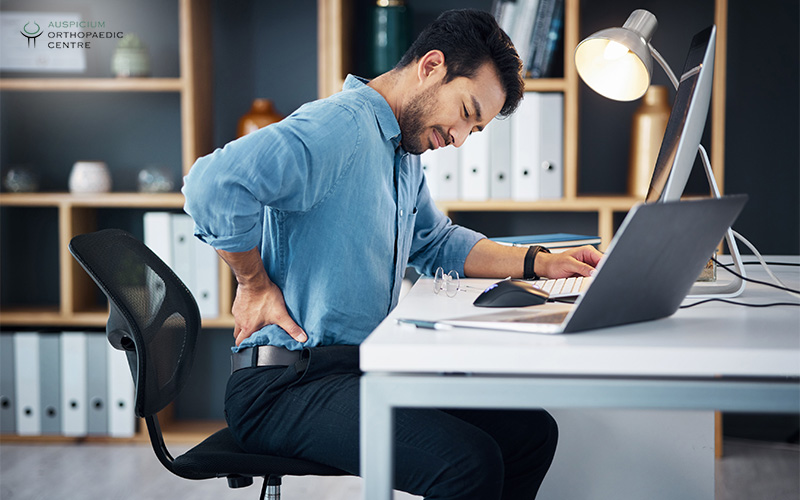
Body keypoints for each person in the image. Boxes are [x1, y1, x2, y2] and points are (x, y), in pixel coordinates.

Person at [183, 9, 602, 499]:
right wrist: (253, 283)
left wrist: (539, 261)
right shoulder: (339, 127)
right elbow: (211, 184)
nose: (460, 139)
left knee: (530, 437)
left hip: (355, 371)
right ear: (431, 66)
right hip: (285, 385)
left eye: (476, 130)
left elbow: (436, 242)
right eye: (466, 113)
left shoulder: (401, 152)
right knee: (467, 465)